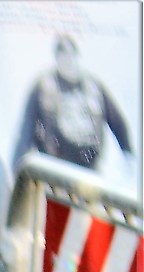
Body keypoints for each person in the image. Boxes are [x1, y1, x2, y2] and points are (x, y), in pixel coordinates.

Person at [16, 33, 134, 174]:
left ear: (76, 56)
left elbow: (117, 122)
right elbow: (26, 130)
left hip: (90, 171)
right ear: (56, 57)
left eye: (70, 54)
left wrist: (128, 152)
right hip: (54, 171)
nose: (67, 59)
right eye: (62, 54)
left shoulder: (94, 87)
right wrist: (17, 168)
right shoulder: (43, 87)